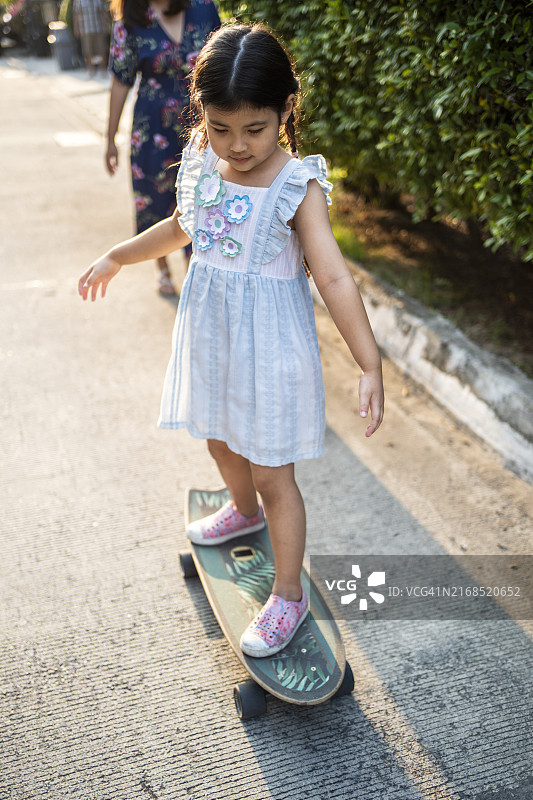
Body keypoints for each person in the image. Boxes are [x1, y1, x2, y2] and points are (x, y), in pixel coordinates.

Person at [79, 23, 384, 657]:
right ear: (202, 113)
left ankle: (289, 595)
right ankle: (241, 510)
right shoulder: (201, 158)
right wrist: (117, 255)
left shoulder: (295, 188)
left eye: (255, 129)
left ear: (283, 111)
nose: (237, 145)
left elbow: (332, 274)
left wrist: (368, 362)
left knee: (277, 476)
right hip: (214, 340)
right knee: (219, 442)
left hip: (270, 355)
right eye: (221, 128)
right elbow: (179, 228)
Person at [106, 0, 220, 295]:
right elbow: (121, 80)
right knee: (153, 198)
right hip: (152, 128)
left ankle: (195, 269)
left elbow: (227, 63)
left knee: (201, 197)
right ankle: (162, 269)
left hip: (203, 126)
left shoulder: (204, 8)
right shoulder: (130, 21)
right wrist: (110, 139)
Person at [73, 0, 110, 75]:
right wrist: (76, 28)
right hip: (85, 30)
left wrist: (107, 25)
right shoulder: (79, 1)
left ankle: (102, 69)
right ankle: (90, 69)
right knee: (88, 51)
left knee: (102, 50)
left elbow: (103, 12)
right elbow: (76, 14)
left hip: (99, 28)